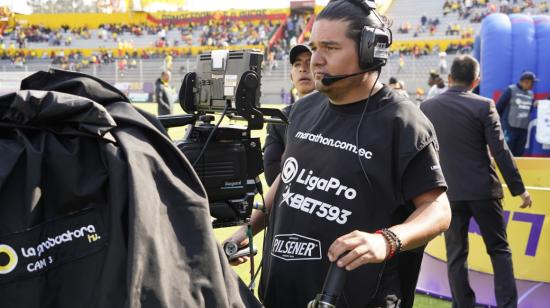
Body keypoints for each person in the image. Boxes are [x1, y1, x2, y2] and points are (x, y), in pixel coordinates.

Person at [226, 1, 451, 307]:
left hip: (355, 298)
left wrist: (385, 240)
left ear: (371, 51)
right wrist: (247, 231)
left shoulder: (403, 122)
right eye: (315, 46)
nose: (315, 60)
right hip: (280, 292)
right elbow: (287, 180)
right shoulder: (303, 110)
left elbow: (438, 210)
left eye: (330, 48)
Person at [421, 55, 533, 308]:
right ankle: (507, 305)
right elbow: (500, 150)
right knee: (499, 250)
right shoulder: (484, 105)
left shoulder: (427, 107)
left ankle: (463, 305)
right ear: (476, 80)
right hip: (484, 190)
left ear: (449, 79)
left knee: (456, 255)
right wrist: (520, 190)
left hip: (448, 194)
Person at [263, 43, 315, 186]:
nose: (303, 69)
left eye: (309, 63)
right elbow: (271, 173)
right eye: (297, 64)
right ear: (291, 76)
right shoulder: (279, 118)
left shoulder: (337, 114)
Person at [496, 71, 538, 156]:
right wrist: (501, 123)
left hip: (523, 130)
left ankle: (515, 169)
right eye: (532, 82)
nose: (533, 85)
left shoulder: (531, 94)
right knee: (507, 152)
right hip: (510, 128)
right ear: (525, 81)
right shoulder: (511, 90)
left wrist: (537, 104)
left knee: (519, 153)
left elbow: (529, 109)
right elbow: (499, 107)